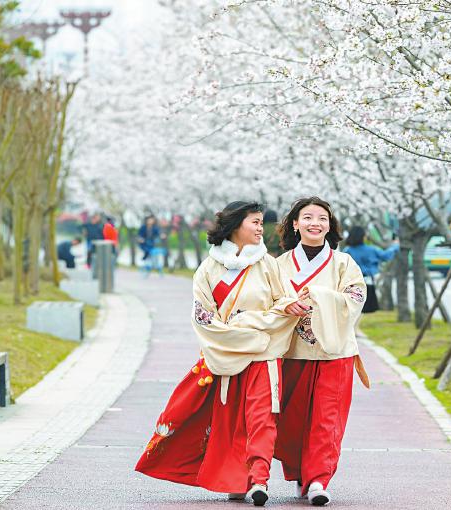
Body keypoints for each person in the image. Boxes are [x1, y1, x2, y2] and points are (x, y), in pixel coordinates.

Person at [135, 201, 301, 506]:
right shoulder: (209, 269)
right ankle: (238, 478)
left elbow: (285, 308)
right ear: (236, 224)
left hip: (264, 357)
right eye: (254, 221)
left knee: (262, 418)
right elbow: (204, 319)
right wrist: (252, 334)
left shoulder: (269, 265)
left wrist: (247, 323)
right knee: (229, 423)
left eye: (261, 222)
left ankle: (259, 479)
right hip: (226, 356)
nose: (260, 228)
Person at [273, 197, 369, 506]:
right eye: (308, 217)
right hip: (291, 353)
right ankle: (303, 473)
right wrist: (287, 304)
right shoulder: (278, 265)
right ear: (295, 224)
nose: (316, 223)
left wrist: (319, 296)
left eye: (323, 218)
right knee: (293, 420)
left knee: (328, 419)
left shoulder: (344, 263)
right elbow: (266, 298)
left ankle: (318, 480)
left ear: (330, 226)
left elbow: (355, 296)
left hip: (334, 353)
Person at [343, 225, 399, 332]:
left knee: (353, 306)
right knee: (362, 306)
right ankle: (354, 328)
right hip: (366, 281)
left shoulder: (347, 251)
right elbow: (386, 256)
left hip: (350, 282)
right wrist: (395, 247)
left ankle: (353, 328)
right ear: (362, 237)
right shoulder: (370, 250)